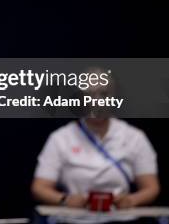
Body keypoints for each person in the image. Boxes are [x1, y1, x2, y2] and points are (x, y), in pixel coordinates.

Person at [31, 68, 160, 219]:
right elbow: (39, 187)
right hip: (73, 220)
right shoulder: (60, 138)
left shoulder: (135, 137)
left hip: (121, 219)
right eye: (89, 94)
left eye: (104, 94)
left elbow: (151, 187)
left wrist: (131, 200)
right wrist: (65, 199)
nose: (97, 100)